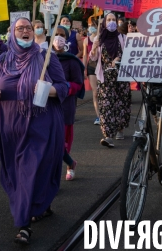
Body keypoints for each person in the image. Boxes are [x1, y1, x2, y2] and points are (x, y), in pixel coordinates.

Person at [0, 18, 67, 245]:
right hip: (9, 128)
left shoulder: (46, 57)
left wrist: (49, 90)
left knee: (30, 170)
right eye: (20, 28)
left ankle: (24, 226)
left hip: (40, 125)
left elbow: (63, 87)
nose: (26, 31)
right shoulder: (2, 59)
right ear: (12, 33)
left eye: (29, 28)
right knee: (15, 171)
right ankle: (41, 204)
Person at [89, 13, 131, 147]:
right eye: (109, 20)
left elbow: (130, 55)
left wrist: (119, 60)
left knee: (121, 103)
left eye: (114, 20)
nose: (112, 22)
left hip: (121, 76)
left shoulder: (123, 38)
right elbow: (93, 58)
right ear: (104, 23)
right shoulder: (99, 39)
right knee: (106, 105)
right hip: (105, 78)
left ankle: (120, 129)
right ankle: (108, 136)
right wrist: (94, 47)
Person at [52, 26, 84, 181]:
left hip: (65, 107)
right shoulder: (43, 59)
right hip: (46, 107)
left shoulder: (72, 61)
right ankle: (56, 173)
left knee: (61, 143)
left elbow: (79, 84)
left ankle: (69, 164)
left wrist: (65, 87)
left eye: (62, 35)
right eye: (56, 35)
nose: (58, 37)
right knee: (49, 143)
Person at [83, 20, 101, 125]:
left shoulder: (101, 39)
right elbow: (85, 55)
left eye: (93, 25)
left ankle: (105, 113)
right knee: (95, 92)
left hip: (102, 66)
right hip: (91, 67)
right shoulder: (86, 40)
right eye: (89, 26)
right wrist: (84, 68)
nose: (91, 27)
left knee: (102, 91)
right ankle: (98, 116)